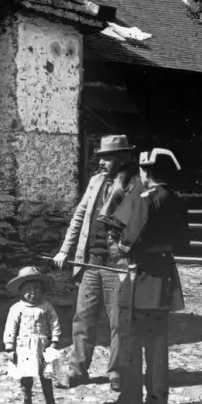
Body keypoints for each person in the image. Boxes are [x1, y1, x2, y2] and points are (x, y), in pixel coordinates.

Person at [104, 148, 190, 404]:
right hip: (163, 272)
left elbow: (125, 235)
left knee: (131, 339)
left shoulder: (145, 198)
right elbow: (183, 242)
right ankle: (157, 400)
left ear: (147, 171)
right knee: (157, 341)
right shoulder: (176, 199)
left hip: (140, 274)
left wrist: (123, 246)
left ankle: (130, 400)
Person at [52, 135, 139, 391]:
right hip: (90, 262)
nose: (102, 162)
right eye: (101, 156)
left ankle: (117, 372)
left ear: (123, 158)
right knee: (83, 318)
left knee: (119, 321)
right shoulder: (95, 181)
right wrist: (65, 250)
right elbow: (79, 216)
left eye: (108, 157)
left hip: (117, 264)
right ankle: (78, 369)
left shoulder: (134, 185)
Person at [3, 266, 66, 404]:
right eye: (28, 289)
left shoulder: (46, 307)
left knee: (46, 376)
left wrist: (54, 341)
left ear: (42, 290)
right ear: (21, 291)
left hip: (43, 346)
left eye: (37, 289)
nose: (33, 293)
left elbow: (54, 324)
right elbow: (10, 328)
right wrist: (10, 347)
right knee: (26, 377)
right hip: (24, 348)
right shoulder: (17, 308)